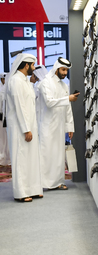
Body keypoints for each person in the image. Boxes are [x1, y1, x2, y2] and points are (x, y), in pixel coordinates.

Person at [6, 53, 43, 202]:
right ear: (26, 65)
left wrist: (32, 83)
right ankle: (21, 192)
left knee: (31, 158)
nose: (34, 69)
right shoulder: (15, 81)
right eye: (33, 65)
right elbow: (20, 106)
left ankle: (33, 189)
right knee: (20, 158)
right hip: (20, 127)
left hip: (29, 126)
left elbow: (30, 102)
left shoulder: (25, 81)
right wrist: (25, 129)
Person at [38, 57, 79, 190]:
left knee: (59, 155)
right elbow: (49, 102)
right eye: (63, 70)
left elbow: (68, 108)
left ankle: (59, 181)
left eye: (66, 70)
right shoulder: (45, 83)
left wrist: (70, 127)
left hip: (60, 126)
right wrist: (68, 98)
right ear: (56, 69)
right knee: (47, 154)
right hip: (47, 125)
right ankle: (44, 183)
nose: (65, 73)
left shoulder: (63, 85)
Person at [31, 65, 48, 133]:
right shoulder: (47, 83)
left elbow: (31, 97)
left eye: (33, 74)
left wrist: (31, 83)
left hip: (40, 115)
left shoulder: (39, 85)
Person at [0, 72, 11, 166]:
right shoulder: (1, 90)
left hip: (7, 118)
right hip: (1, 118)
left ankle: (7, 158)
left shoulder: (7, 90)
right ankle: (3, 158)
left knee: (7, 139)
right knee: (2, 140)